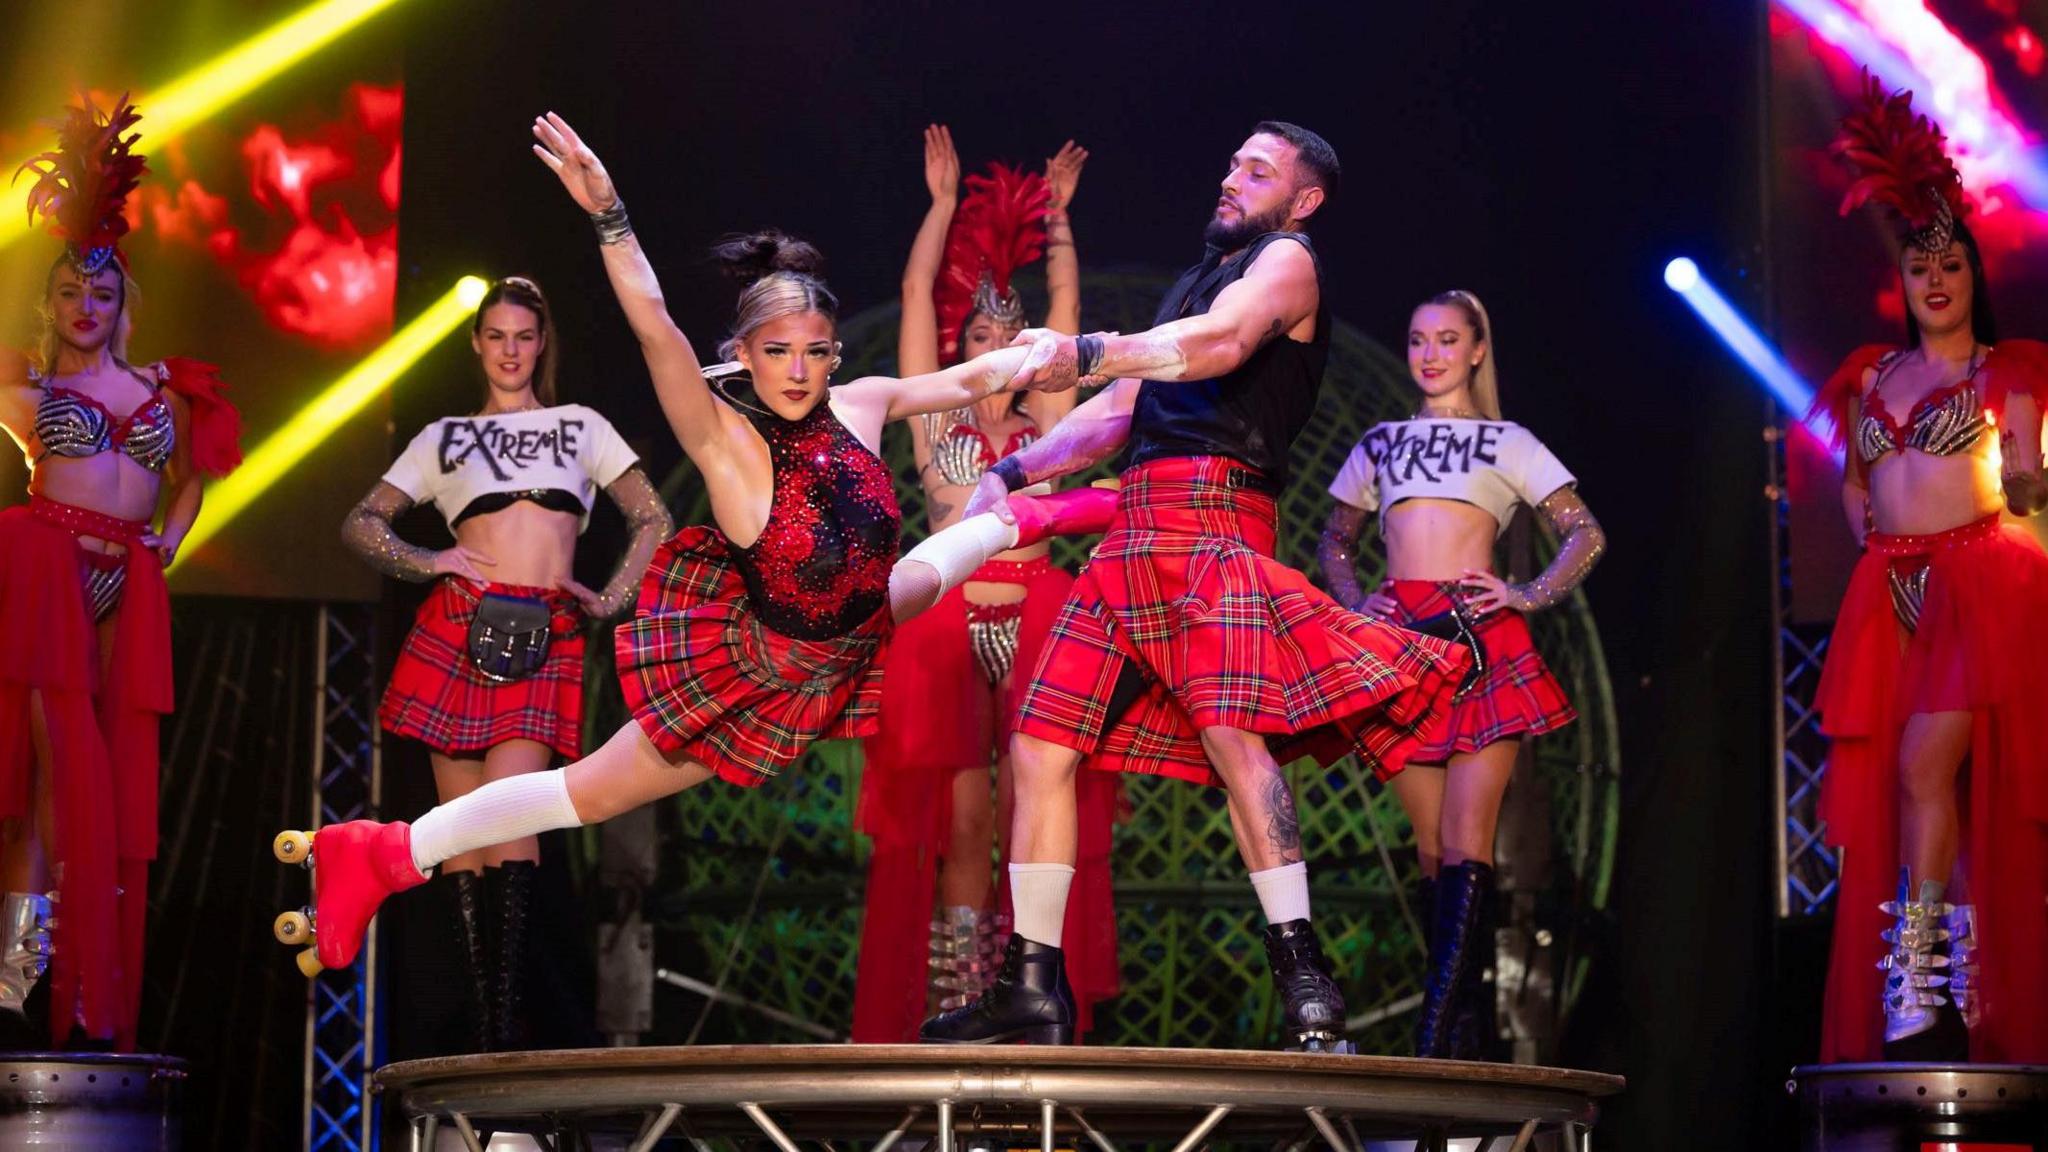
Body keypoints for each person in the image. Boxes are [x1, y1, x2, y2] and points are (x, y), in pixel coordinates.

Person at [273, 113, 1076, 986]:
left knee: (910, 579)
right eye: (777, 353)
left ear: (834, 353)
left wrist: (1065, 353)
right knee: (580, 796)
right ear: (744, 355)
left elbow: (970, 377)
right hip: (759, 672)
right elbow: (654, 323)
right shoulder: (723, 440)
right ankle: (382, 852)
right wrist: (610, 214)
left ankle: (1011, 519)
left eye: (814, 353)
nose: (799, 372)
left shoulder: (866, 402)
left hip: (859, 626)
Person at [915, 121, 1469, 1052]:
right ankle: (1034, 989)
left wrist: (1087, 348)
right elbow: (1124, 410)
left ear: (1304, 199)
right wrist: (1015, 474)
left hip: (1215, 524)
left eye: (1257, 171)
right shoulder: (1194, 283)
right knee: (1041, 748)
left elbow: (1215, 346)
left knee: (1233, 740)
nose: (1230, 178)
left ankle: (1304, 977)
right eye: (1230, 163)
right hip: (1132, 532)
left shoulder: (1288, 264)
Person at [340, 275, 671, 1051]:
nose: (511, 351)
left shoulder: (580, 426)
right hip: (455, 626)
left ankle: (507, 1021)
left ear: (541, 342)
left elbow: (652, 516)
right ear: (477, 344)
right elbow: (361, 523)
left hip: (546, 629)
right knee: (460, 835)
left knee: (515, 815)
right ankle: (481, 1027)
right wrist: (428, 560)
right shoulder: (446, 438)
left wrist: (610, 596)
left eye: (524, 336)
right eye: (497, 337)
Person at [852, 127, 1120, 1043]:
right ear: (965, 345)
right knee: (965, 826)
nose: (997, 349)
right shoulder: (933, 424)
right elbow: (912, 299)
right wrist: (938, 208)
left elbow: (1071, 310)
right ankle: (962, 1000)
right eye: (981, 335)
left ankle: (1035, 989)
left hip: (1039, 612)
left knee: (1037, 811)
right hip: (947, 622)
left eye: (1013, 338)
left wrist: (1061, 225)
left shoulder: (1053, 423)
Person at [1810, 75, 2048, 1061]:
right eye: (1919, 266)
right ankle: (1945, 975)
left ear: (1968, 273)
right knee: (1914, 792)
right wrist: (1855, 504)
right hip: (1889, 589)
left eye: (1949, 263)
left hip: (1971, 584)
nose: (1934, 280)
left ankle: (1918, 973)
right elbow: (1858, 480)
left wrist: (2028, 480)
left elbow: (2023, 462)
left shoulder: (2002, 372)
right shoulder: (1872, 374)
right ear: (1902, 280)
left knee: (1921, 771)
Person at [0, 96, 242, 1049]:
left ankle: (91, 997)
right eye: (70, 294)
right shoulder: (30, 389)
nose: (87, 308)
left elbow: (190, 481)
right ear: (49, 304)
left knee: (105, 790)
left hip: (123, 590)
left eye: (101, 295)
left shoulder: (162, 390)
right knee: (52, 785)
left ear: (122, 304)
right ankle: (20, 990)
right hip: (44, 572)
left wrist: (172, 537)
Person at [1318, 289, 1603, 1058]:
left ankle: (1438, 1032)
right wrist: (1355, 604)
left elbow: (1583, 533)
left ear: (1478, 349)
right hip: (1403, 646)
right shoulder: (1381, 442)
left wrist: (1528, 593)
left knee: (1465, 837)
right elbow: (1334, 540)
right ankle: (1466, 1017)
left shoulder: (1509, 441)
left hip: (1485, 645)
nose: (1431, 354)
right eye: (1418, 340)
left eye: (1448, 339)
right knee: (1431, 850)